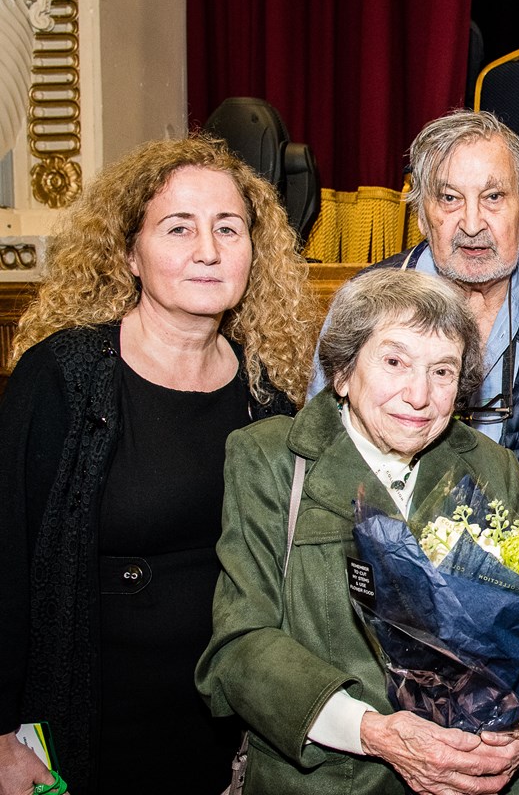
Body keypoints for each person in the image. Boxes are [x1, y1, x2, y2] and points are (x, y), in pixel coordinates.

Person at [0, 135, 315, 795]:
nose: (207, 250)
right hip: (92, 724)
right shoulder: (65, 375)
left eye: (228, 229)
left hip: (225, 732)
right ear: (129, 254)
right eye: (179, 228)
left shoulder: (268, 398)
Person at [197, 268, 519, 794]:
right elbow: (240, 646)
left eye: (443, 371)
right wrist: (374, 733)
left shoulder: (494, 468)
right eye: (394, 362)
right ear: (342, 372)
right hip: (333, 778)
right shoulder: (270, 459)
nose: (420, 395)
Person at [308, 109, 519, 526]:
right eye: (449, 198)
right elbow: (318, 445)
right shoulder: (366, 301)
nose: (472, 223)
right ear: (421, 210)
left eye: (494, 197)